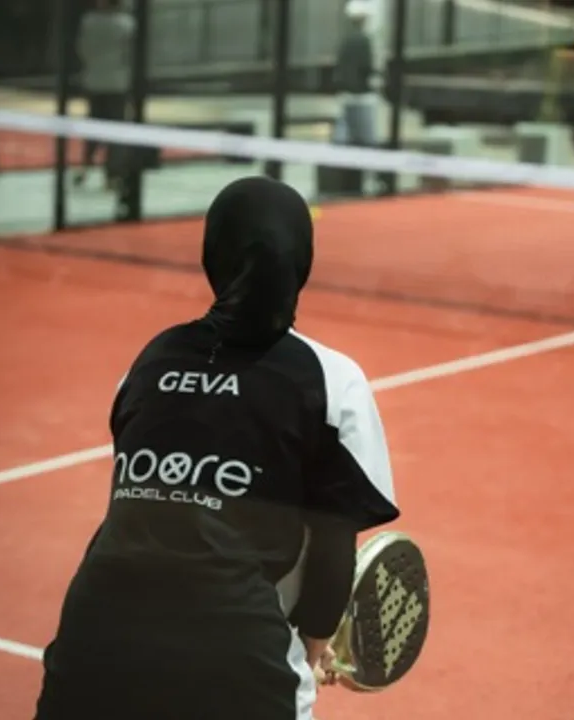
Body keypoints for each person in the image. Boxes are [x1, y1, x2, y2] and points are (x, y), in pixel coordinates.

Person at [33, 176, 400, 720]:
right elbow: (331, 549)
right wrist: (313, 647)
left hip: (93, 638)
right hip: (239, 655)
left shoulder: (151, 360)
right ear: (302, 260)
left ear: (213, 254)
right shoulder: (331, 379)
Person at [73, 0, 135, 190]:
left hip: (94, 81)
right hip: (117, 83)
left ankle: (85, 166)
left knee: (93, 125)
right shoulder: (126, 24)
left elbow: (82, 49)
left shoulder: (88, 21)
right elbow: (130, 54)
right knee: (115, 131)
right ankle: (112, 175)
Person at [333, 0, 379, 147]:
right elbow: (367, 66)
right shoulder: (365, 41)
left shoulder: (345, 41)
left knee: (344, 133)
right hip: (362, 95)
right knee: (367, 136)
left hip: (346, 93)